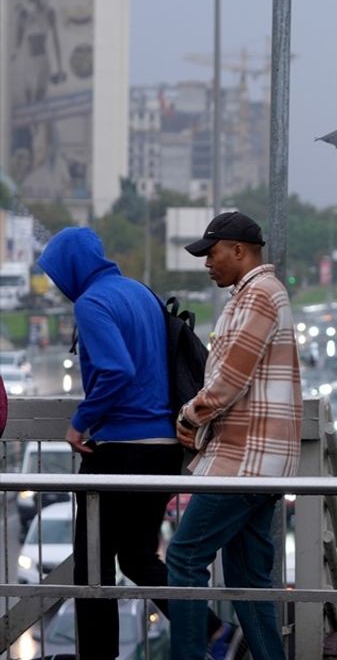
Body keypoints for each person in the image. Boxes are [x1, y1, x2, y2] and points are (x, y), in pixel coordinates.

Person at [35, 227, 223, 658]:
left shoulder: (92, 302)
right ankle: (214, 630)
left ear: (71, 267)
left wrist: (80, 422)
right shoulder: (140, 292)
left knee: (91, 565)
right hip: (162, 446)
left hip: (121, 448)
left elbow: (116, 370)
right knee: (138, 557)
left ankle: (97, 655)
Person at [166, 211, 302, 660]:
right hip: (259, 462)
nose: (207, 263)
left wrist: (189, 416)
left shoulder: (259, 296)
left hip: (245, 459)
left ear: (238, 250)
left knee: (184, 559)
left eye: (212, 253)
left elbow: (229, 379)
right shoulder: (258, 294)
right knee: (248, 578)